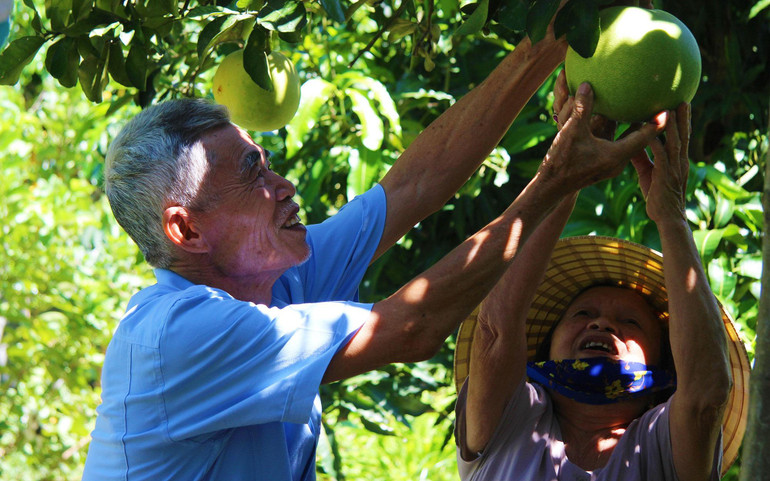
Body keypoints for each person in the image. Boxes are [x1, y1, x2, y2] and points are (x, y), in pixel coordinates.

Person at [81, 4, 666, 479]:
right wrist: (554, 183)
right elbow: (412, 327)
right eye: (252, 175)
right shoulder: (177, 334)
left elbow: (416, 182)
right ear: (186, 229)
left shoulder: (277, 282)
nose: (283, 186)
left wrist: (558, 30)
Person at [452, 73, 751, 481]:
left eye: (631, 324)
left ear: (663, 363)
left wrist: (672, 217)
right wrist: (563, 178)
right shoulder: (515, 418)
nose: (601, 323)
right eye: (582, 314)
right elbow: (496, 333)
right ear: (546, 345)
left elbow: (705, 396)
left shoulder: (662, 442)